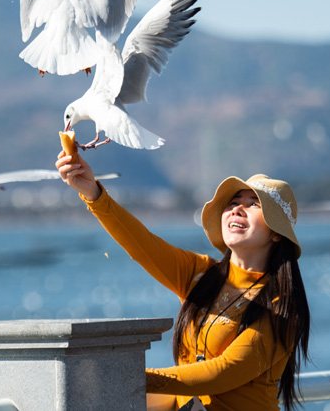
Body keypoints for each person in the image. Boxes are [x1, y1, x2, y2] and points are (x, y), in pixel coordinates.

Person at [56, 152, 310, 411]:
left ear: (277, 234)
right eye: (233, 202)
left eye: (254, 204)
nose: (237, 208)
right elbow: (142, 244)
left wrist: (132, 376)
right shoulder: (200, 274)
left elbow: (221, 373)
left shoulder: (283, 307)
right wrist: (93, 193)